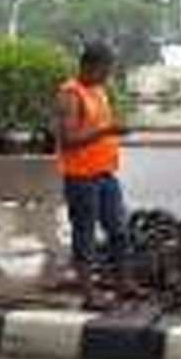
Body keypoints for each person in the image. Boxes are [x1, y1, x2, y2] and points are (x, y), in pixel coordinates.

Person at [56, 42, 129, 272]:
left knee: (118, 229)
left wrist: (112, 129)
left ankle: (122, 280)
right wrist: (105, 131)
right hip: (81, 178)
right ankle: (87, 291)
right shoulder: (70, 93)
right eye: (105, 70)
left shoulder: (98, 90)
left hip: (105, 173)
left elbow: (99, 124)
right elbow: (68, 140)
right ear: (89, 66)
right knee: (84, 234)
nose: (107, 75)